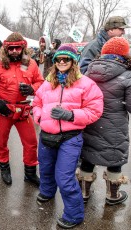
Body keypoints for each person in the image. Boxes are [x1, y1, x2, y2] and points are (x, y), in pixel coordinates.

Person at [32, 44, 103, 229]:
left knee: (64, 178)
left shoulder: (86, 84)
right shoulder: (48, 82)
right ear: (54, 62)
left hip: (70, 137)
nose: (62, 62)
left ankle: (74, 214)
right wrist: (39, 116)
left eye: (66, 59)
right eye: (58, 59)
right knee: (46, 170)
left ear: (74, 61)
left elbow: (95, 110)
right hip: (47, 135)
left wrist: (71, 115)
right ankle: (47, 192)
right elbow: (37, 102)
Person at [0, 32, 44, 186]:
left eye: (18, 48)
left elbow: (40, 82)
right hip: (5, 110)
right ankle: (4, 169)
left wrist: (32, 89)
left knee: (31, 142)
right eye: (11, 48)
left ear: (23, 47)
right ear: (6, 49)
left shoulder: (31, 64)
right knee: (1, 141)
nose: (15, 51)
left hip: (23, 110)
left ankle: (30, 173)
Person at [77, 37, 131, 206]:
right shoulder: (127, 75)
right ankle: (112, 195)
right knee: (114, 158)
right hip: (115, 127)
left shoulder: (88, 71)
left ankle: (84, 192)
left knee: (88, 155)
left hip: (90, 122)